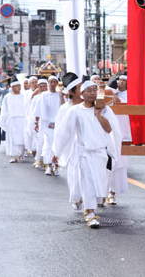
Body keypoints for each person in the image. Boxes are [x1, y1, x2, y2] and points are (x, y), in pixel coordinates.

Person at [53, 77, 122, 228]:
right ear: (82, 94)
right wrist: (56, 151)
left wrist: (98, 114)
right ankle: (90, 214)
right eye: (88, 91)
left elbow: (110, 129)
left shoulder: (105, 109)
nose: (92, 93)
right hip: (84, 153)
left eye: (94, 90)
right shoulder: (75, 111)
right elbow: (64, 132)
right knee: (88, 183)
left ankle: (89, 205)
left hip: (100, 154)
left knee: (100, 184)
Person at [53, 72, 83, 210]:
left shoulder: (88, 106)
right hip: (71, 147)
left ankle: (89, 201)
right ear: (71, 91)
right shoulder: (64, 109)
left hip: (88, 146)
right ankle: (77, 198)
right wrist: (56, 151)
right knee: (74, 173)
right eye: (79, 86)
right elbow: (60, 132)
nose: (82, 89)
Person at [105, 74, 129, 206]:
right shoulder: (105, 97)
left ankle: (112, 192)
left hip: (121, 132)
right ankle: (101, 192)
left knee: (117, 163)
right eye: (120, 80)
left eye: (124, 80)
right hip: (105, 133)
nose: (121, 83)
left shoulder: (127, 96)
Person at [35, 73, 64, 176]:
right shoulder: (44, 95)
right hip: (47, 125)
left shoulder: (60, 95)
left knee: (58, 146)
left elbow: (64, 108)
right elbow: (39, 110)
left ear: (57, 83)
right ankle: (49, 166)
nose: (52, 84)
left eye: (54, 82)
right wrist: (37, 122)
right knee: (48, 146)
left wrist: (61, 95)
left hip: (58, 125)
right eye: (50, 82)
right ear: (48, 83)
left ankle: (56, 167)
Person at [0, 76, 25, 163]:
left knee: (21, 138)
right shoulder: (7, 97)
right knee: (12, 139)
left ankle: (20, 154)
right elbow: (4, 110)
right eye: (17, 86)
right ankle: (13, 155)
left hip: (22, 120)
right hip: (11, 120)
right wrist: (3, 120)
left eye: (19, 86)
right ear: (12, 87)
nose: (19, 87)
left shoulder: (23, 96)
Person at [31, 77, 48, 170]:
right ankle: (38, 159)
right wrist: (36, 122)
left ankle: (48, 161)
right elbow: (35, 112)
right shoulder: (36, 98)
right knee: (41, 141)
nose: (43, 88)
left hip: (51, 123)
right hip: (42, 123)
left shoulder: (52, 96)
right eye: (41, 86)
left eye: (44, 86)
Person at [23, 75, 38, 157]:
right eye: (33, 83)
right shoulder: (27, 93)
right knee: (32, 140)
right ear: (29, 84)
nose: (35, 84)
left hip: (41, 120)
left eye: (36, 82)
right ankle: (36, 157)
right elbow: (30, 99)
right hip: (31, 119)